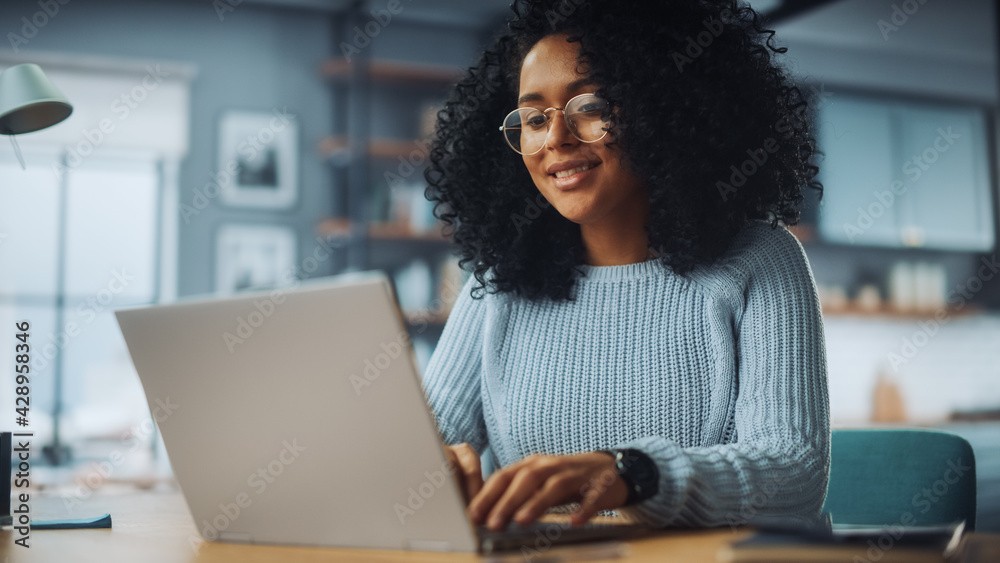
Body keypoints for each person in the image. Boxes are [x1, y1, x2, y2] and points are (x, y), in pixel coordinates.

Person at [421, 0, 829, 532]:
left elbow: (793, 474)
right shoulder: (502, 279)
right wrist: (428, 467)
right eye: (534, 117)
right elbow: (426, 439)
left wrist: (633, 474)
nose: (555, 139)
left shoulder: (758, 262)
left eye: (590, 105)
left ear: (665, 107)